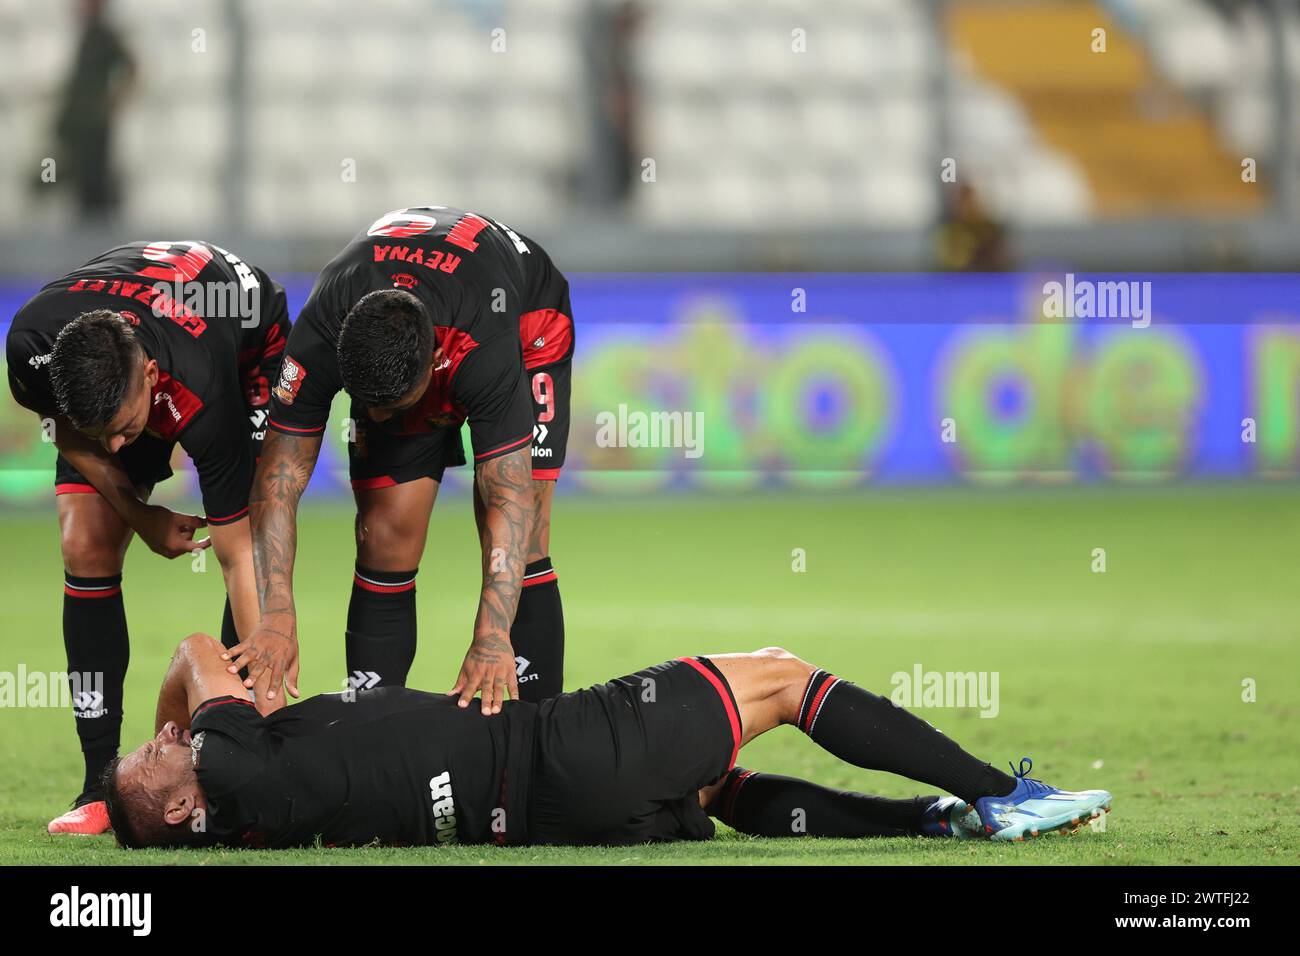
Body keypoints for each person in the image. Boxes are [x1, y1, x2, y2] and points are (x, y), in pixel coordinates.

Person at [104, 632, 1113, 848]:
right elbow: (200, 648)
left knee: (717, 786)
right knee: (779, 675)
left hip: (561, 818)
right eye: (153, 761)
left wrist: (132, 785)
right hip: (559, 751)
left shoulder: (244, 820)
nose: (163, 743)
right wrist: (178, 706)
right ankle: (996, 791)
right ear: (188, 803)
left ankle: (926, 821)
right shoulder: (230, 765)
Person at [231, 206, 573, 715]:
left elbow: (508, 499)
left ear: (433, 367)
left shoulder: (483, 346)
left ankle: (539, 737)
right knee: (384, 535)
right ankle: (372, 729)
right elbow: (278, 479)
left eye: (392, 406)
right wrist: (277, 613)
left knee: (526, 537)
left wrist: (492, 633)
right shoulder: (323, 329)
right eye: (367, 406)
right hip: (407, 313)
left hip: (528, 321)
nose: (376, 418)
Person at [6, 241, 290, 833]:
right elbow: (71, 433)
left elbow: (238, 556)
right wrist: (141, 514)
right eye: (100, 433)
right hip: (131, 324)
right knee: (85, 544)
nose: (116, 448)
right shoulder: (34, 348)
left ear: (152, 381)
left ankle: (253, 753)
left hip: (245, 334)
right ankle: (97, 787)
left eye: (125, 430)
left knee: (256, 524)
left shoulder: (202, 390)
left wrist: (269, 655)